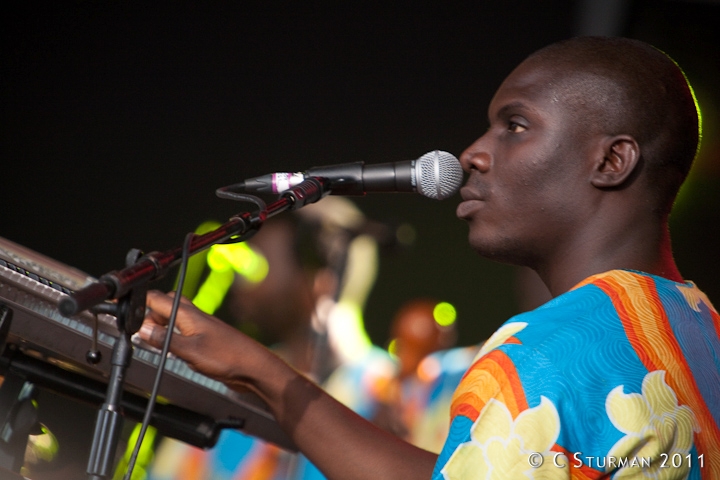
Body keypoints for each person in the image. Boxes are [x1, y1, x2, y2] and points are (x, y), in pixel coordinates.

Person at [139, 36, 719, 479]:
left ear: (612, 161)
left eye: (514, 126)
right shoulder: (698, 328)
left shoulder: (543, 353)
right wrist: (259, 370)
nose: (471, 153)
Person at [145, 197, 396, 480]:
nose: (238, 279)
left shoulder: (402, 391)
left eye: (258, 265)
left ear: (319, 283)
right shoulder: (229, 387)